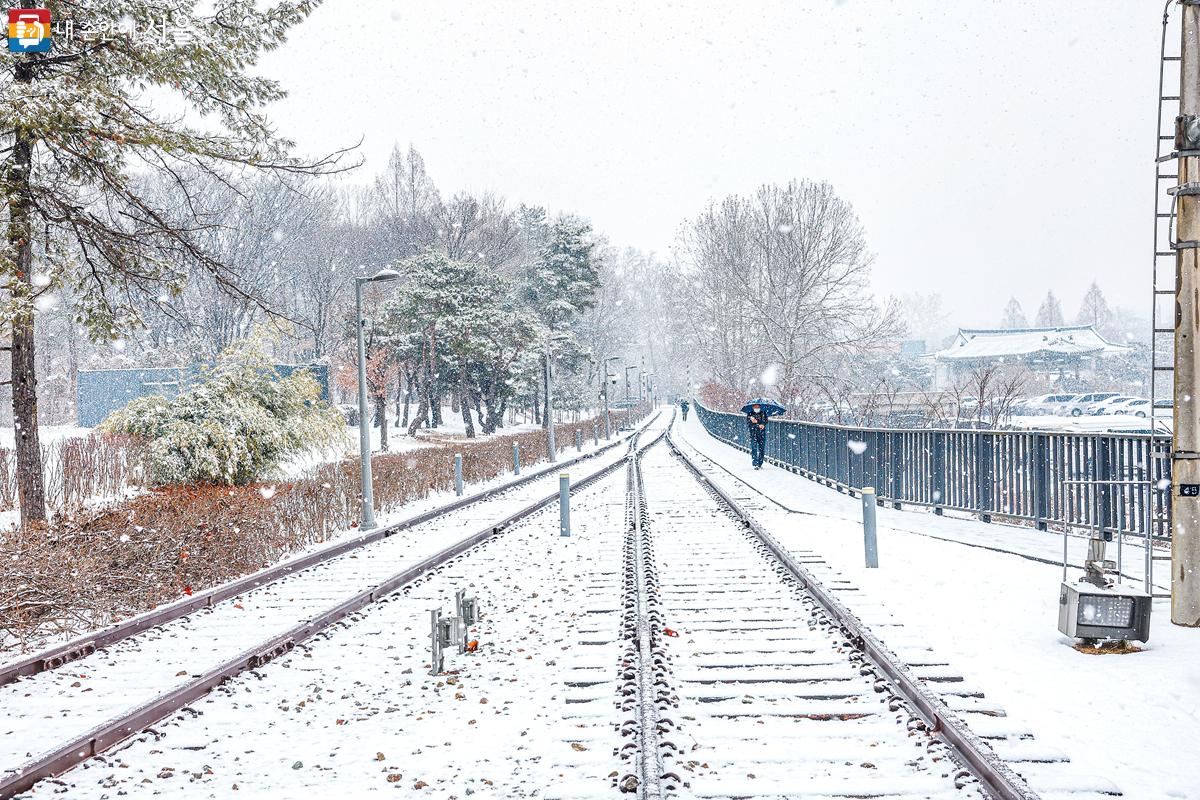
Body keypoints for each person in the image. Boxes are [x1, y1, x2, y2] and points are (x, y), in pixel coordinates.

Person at [746, 402, 768, 469]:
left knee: (762, 449)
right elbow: (748, 423)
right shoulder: (750, 414)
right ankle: (755, 463)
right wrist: (752, 421)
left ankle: (760, 463)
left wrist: (762, 424)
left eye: (758, 407)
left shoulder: (763, 413)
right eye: (755, 407)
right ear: (753, 407)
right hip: (753, 434)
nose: (757, 408)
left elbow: (766, 421)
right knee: (754, 448)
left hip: (762, 434)